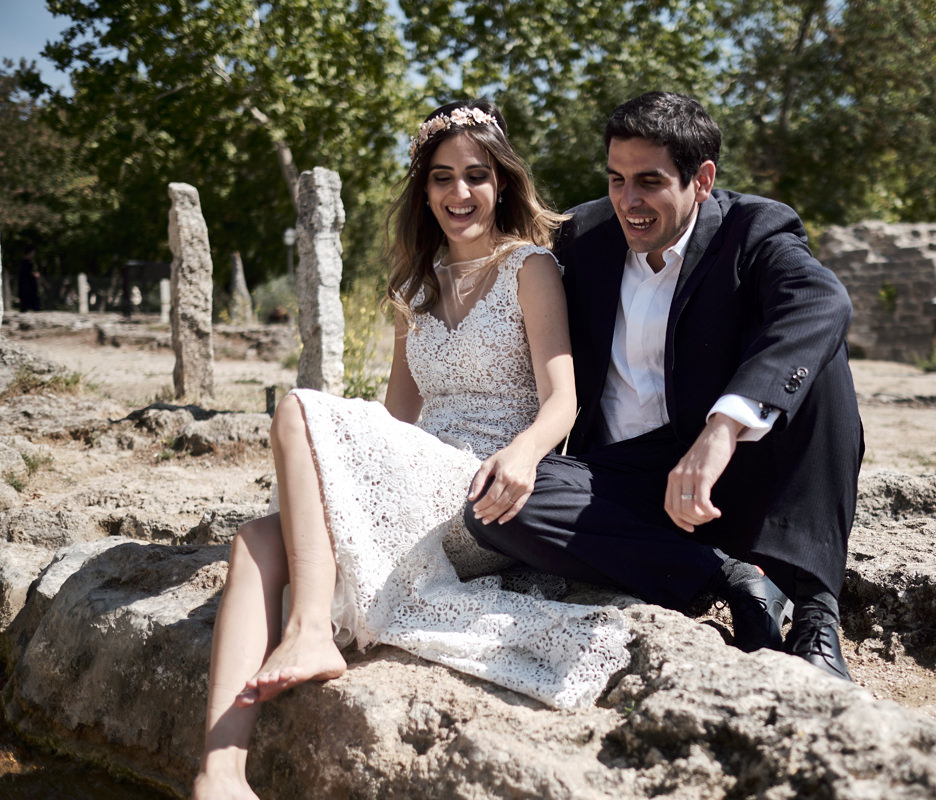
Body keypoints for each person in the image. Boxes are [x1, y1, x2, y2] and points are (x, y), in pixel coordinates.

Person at [193, 100, 630, 800]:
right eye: (441, 177)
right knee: (255, 537)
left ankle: (309, 629)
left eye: (477, 176)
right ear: (423, 191)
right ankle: (220, 772)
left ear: (503, 183)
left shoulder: (530, 268)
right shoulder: (414, 288)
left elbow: (563, 401)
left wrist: (522, 456)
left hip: (482, 488)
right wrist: (332, 475)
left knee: (299, 407)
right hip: (414, 470)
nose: (460, 193)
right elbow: (399, 416)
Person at [466, 92, 864, 681]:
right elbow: (483, 241)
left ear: (701, 180)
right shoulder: (582, 237)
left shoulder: (754, 229)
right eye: (616, 179)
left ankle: (814, 611)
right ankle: (728, 575)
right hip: (631, 477)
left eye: (649, 182)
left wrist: (722, 426)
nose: (629, 202)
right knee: (496, 507)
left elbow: (822, 301)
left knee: (819, 357)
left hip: (740, 470)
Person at [17, 244, 42, 312]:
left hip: (29, 287)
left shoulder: (28, 262)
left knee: (32, 303)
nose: (34, 254)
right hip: (27, 287)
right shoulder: (24, 262)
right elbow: (27, 273)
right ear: (30, 252)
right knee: (28, 304)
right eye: (33, 252)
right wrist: (35, 275)